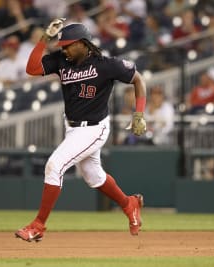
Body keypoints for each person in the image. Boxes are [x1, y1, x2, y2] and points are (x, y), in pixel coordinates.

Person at [15, 19, 147, 242]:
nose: (64, 49)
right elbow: (32, 68)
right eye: (62, 46)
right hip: (73, 127)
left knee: (54, 165)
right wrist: (45, 39)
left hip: (94, 128)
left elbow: (138, 79)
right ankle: (129, 203)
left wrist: (139, 114)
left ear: (83, 43)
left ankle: (38, 226)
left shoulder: (106, 64)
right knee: (93, 177)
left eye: (68, 45)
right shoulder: (61, 61)